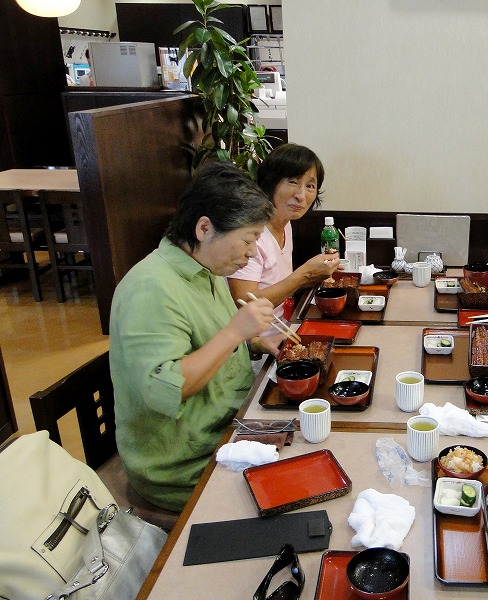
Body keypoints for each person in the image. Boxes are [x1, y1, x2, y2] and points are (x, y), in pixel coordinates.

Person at [109, 161, 276, 511]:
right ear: (204, 228)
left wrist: (255, 342)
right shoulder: (151, 288)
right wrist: (235, 331)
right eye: (248, 240)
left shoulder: (207, 267)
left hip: (231, 426)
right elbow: (166, 388)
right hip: (184, 464)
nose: (251, 253)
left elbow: (209, 341)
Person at [228, 143, 340, 356]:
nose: (301, 195)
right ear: (270, 183)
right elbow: (245, 303)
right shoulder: (251, 235)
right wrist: (304, 274)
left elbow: (279, 284)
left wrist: (317, 275)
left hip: (286, 332)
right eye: (292, 182)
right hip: (255, 350)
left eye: (310, 186)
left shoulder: (286, 224)